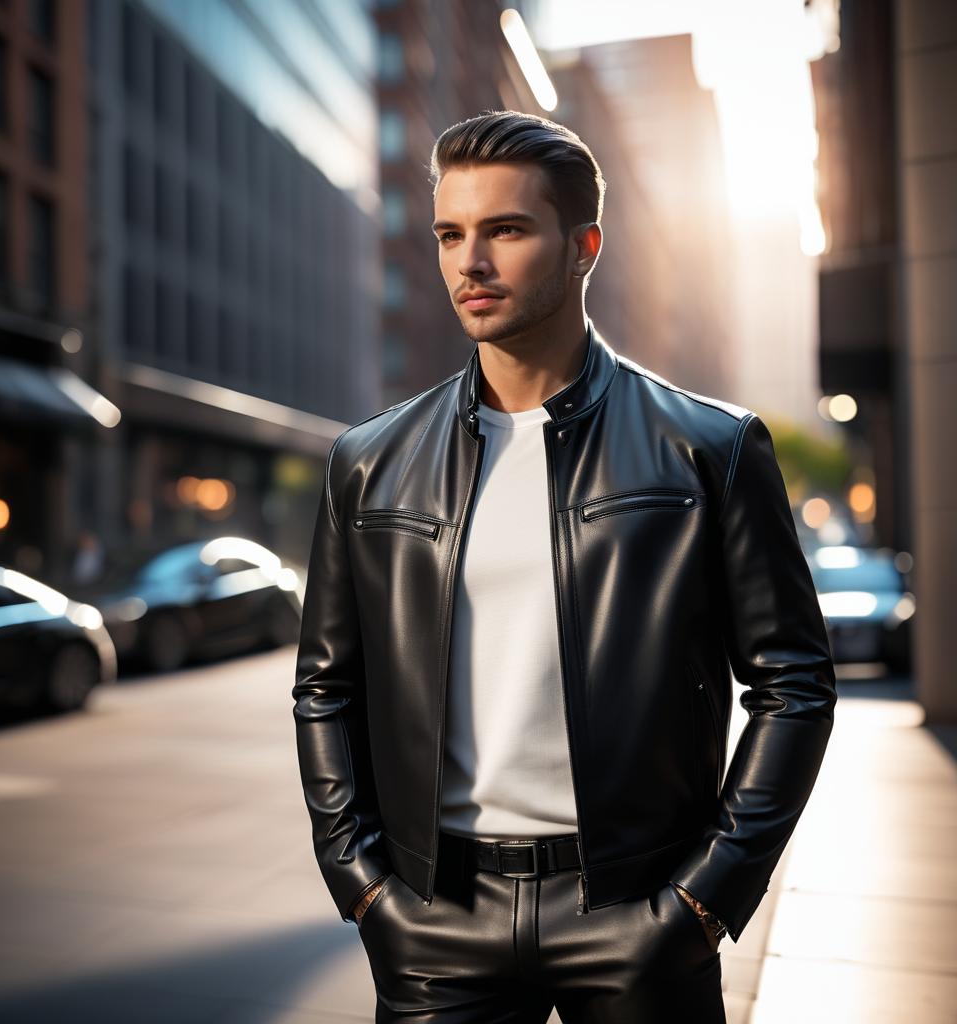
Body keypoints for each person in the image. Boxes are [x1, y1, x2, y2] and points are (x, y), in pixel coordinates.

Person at [292, 110, 836, 1023]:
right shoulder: (370, 460)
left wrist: (706, 898)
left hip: (637, 913)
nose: (470, 263)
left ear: (583, 245)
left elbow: (794, 682)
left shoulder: (710, 448)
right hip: (437, 918)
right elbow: (325, 687)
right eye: (450, 234)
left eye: (505, 230)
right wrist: (362, 885)